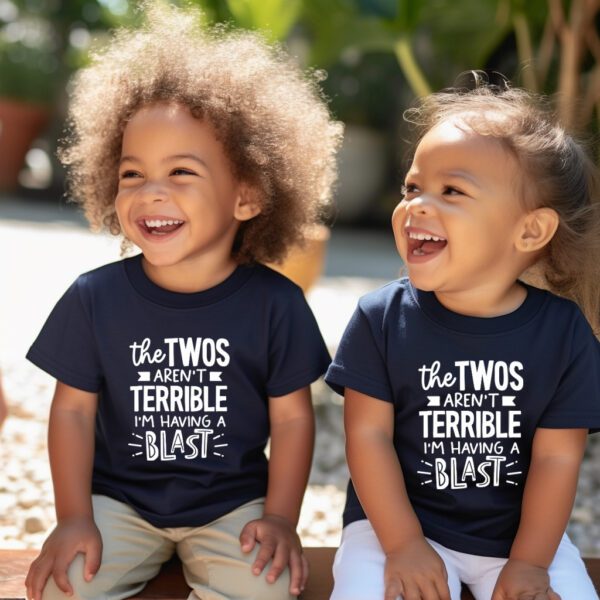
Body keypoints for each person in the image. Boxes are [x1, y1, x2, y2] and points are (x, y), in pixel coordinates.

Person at [24, 4, 342, 600]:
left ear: (247, 195)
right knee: (66, 585)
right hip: (117, 502)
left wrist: (279, 519)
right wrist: (74, 518)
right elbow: (71, 413)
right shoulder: (94, 298)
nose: (152, 194)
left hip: (232, 509)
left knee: (268, 589)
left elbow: (294, 419)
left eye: (181, 173)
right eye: (132, 175)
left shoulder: (277, 305)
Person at [325, 81, 600, 600]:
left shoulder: (564, 334)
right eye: (412, 188)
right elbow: (368, 439)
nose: (418, 206)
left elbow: (557, 460)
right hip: (394, 527)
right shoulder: (380, 318)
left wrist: (530, 564)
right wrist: (404, 545)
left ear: (530, 231)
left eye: (452, 191)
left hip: (522, 539)